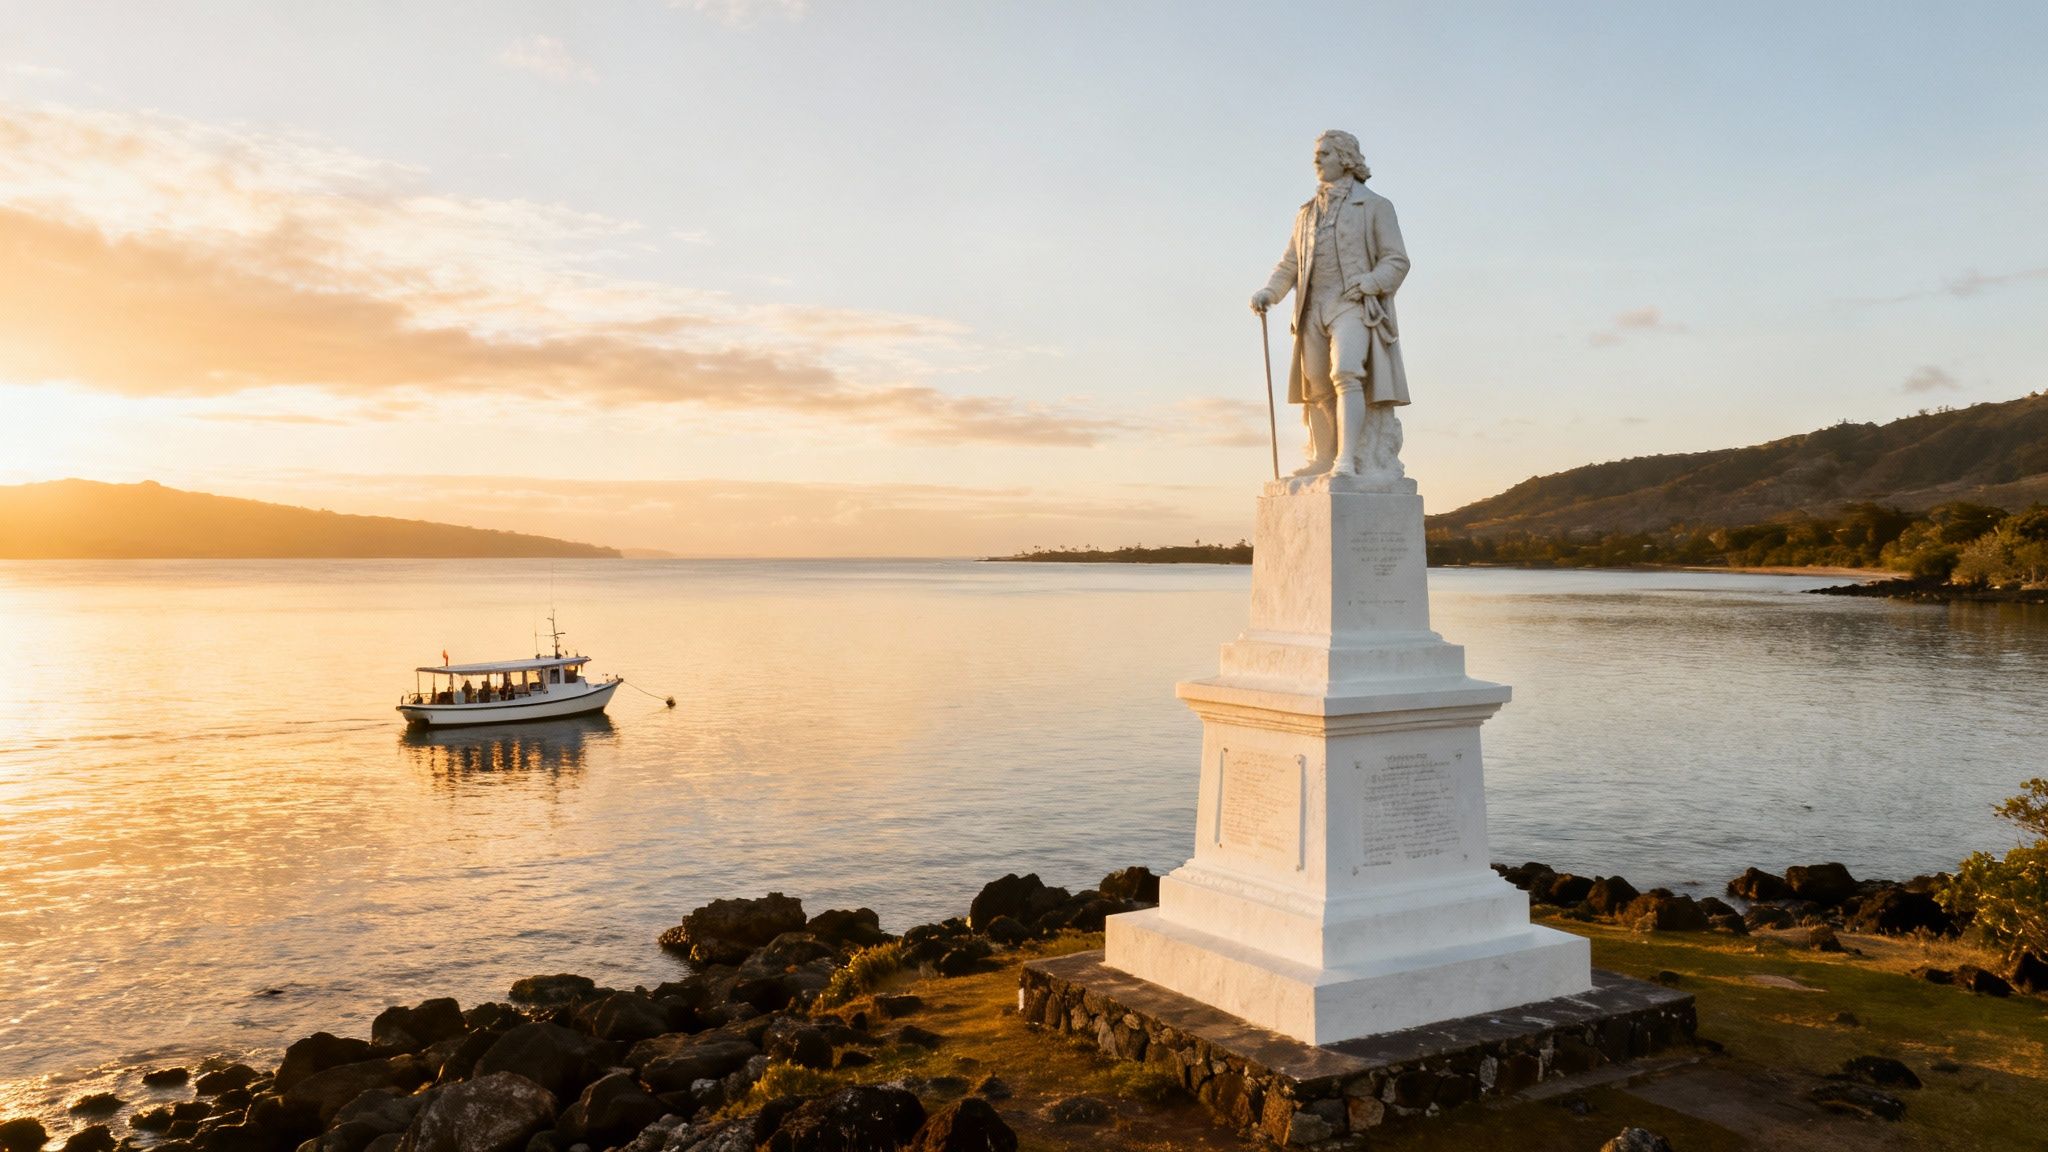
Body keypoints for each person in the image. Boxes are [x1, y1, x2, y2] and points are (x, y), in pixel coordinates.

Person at [1250, 130, 1410, 482]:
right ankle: (1323, 457)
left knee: (1347, 372)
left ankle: (1347, 460)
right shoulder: (1305, 214)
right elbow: (1290, 264)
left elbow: (1396, 260)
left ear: (1345, 158)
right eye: (1316, 155)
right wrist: (1270, 292)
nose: (1316, 160)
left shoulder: (1375, 206)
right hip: (1312, 307)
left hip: (1351, 303)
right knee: (1317, 385)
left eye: (1324, 154)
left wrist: (1370, 282)